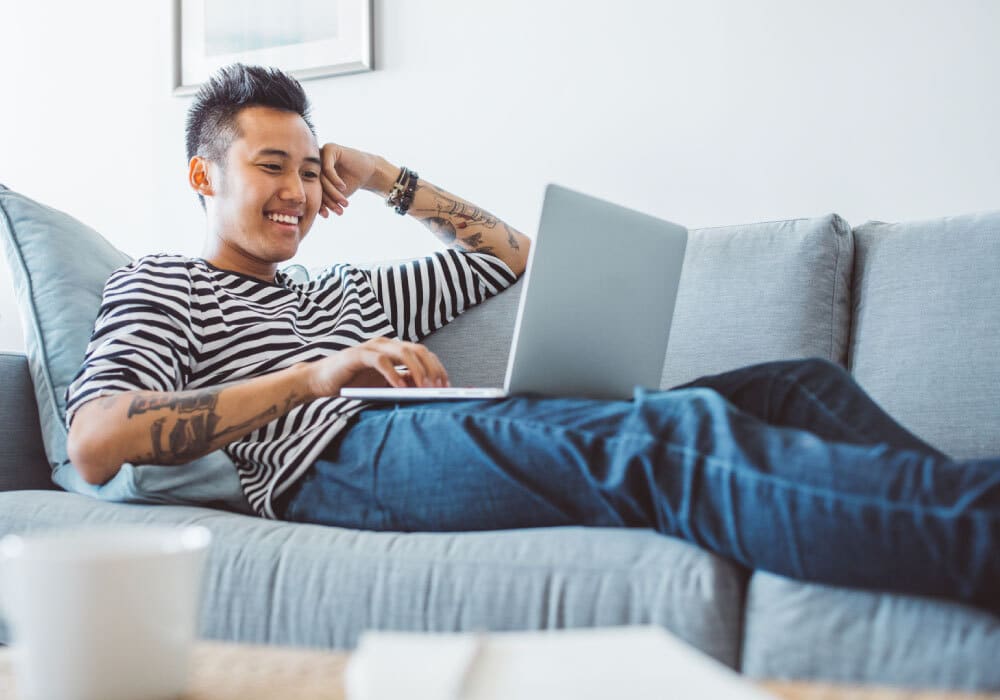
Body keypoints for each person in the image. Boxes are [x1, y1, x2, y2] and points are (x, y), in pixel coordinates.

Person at [64, 64, 999, 615]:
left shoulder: (338, 287)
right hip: (334, 460)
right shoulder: (161, 282)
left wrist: (388, 179)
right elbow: (97, 439)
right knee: (663, 445)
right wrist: (315, 377)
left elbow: (509, 255)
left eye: (310, 173)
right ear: (203, 174)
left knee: (790, 387)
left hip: (420, 423)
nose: (299, 193)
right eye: (272, 167)